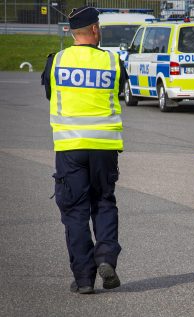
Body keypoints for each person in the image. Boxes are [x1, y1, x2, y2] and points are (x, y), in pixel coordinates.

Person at [41, 6, 127, 294]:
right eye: (99, 26)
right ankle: (106, 258)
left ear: (71, 32)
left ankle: (84, 279)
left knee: (75, 212)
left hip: (70, 147)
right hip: (104, 147)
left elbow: (50, 94)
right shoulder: (113, 62)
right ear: (93, 30)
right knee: (103, 202)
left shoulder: (57, 61)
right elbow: (118, 92)